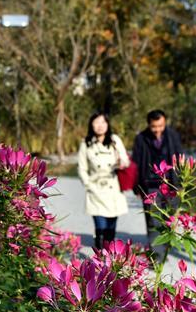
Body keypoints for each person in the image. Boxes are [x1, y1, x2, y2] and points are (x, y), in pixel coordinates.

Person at [132, 109, 184, 261]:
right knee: (153, 220)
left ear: (165, 122)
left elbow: (180, 158)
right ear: (149, 124)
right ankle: (157, 255)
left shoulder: (173, 136)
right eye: (154, 126)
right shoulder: (141, 138)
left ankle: (166, 247)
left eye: (160, 126)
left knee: (170, 218)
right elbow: (136, 163)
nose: (157, 130)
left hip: (172, 184)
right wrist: (137, 186)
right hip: (150, 185)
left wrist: (181, 182)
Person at [77, 112, 130, 251]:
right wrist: (88, 185)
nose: (100, 126)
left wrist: (122, 163)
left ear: (107, 124)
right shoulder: (86, 143)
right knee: (100, 227)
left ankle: (109, 255)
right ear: (91, 125)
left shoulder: (115, 140)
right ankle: (100, 255)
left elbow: (126, 160)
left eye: (103, 122)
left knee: (111, 228)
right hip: (95, 189)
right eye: (96, 122)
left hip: (113, 188)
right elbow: (82, 168)